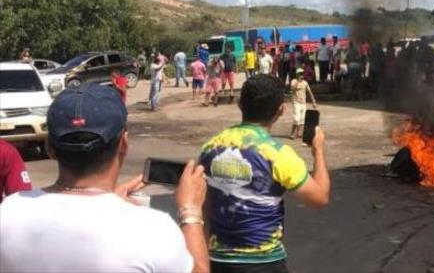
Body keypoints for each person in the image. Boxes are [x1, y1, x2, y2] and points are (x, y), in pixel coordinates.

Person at [0, 83, 209, 273]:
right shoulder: (151, 229)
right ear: (124, 145)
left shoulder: (8, 211)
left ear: (49, 147)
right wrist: (190, 211)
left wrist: (108, 199)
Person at [199, 75, 330, 273]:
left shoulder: (210, 147)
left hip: (217, 260)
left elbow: (202, 204)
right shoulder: (278, 153)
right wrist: (318, 151)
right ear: (281, 110)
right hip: (264, 261)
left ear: (239, 104)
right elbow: (319, 198)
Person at [290, 68, 318, 140]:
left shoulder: (305, 83)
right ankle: (292, 133)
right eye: (300, 74)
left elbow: (309, 92)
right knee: (296, 118)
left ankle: (298, 133)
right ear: (297, 74)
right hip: (296, 102)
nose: (301, 75)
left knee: (302, 119)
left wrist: (313, 101)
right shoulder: (294, 81)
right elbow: (292, 88)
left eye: (302, 73)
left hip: (303, 102)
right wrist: (298, 81)